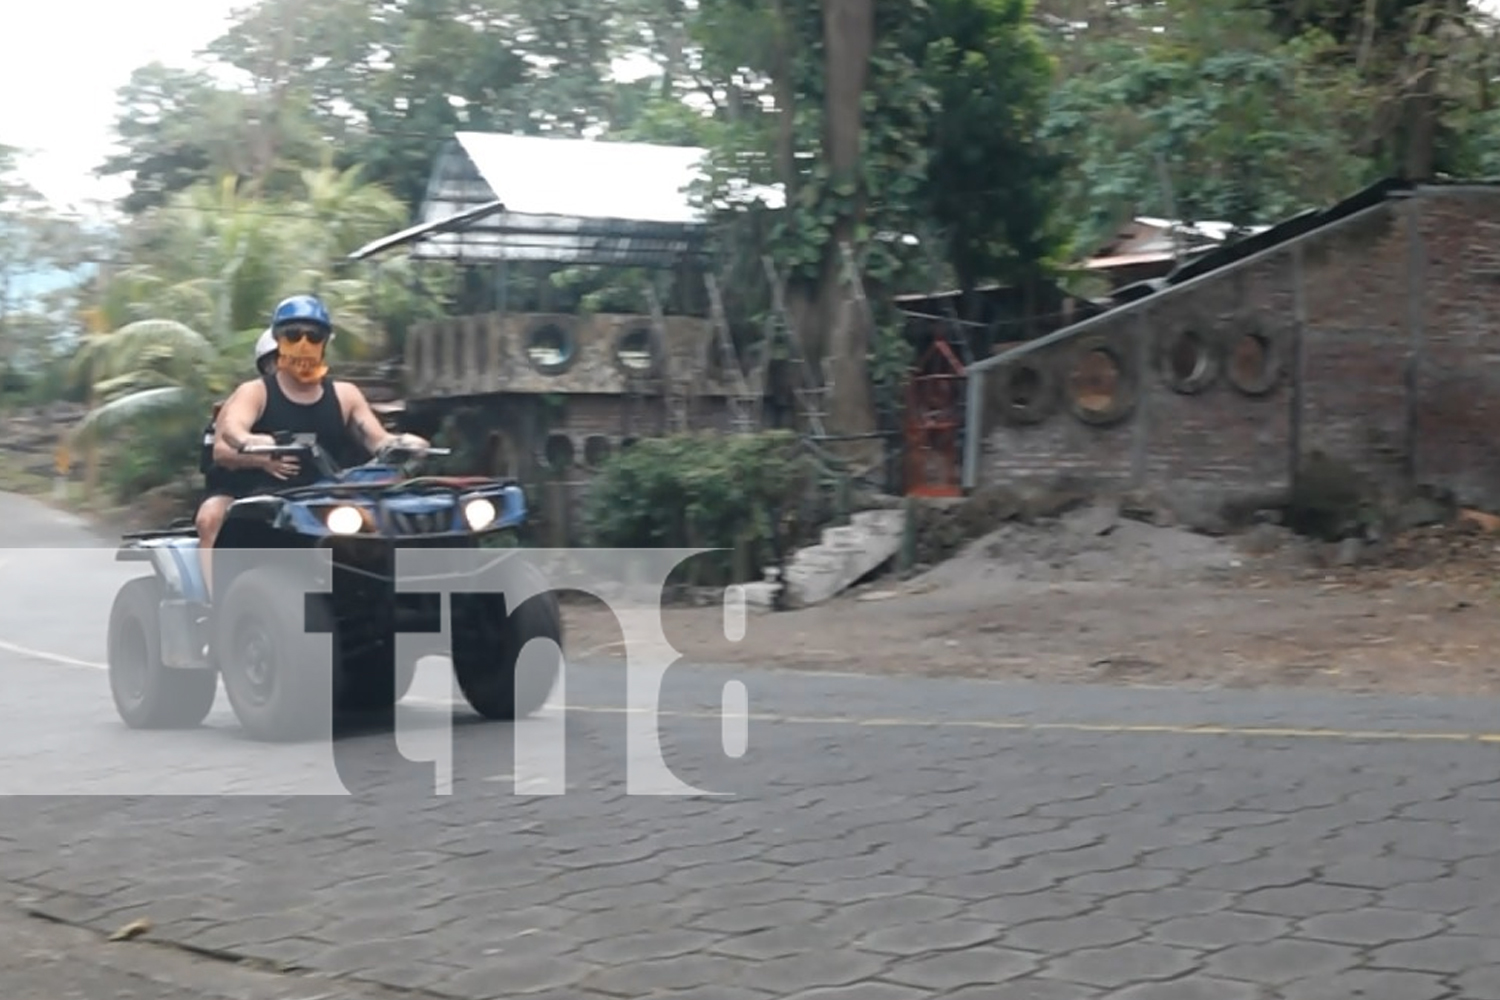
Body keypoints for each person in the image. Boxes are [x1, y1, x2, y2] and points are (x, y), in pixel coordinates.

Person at [210, 293, 427, 549]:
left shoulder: (345, 394)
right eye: (293, 335)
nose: (303, 344)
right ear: (278, 340)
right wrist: (254, 443)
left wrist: (404, 443)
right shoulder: (255, 391)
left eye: (313, 336)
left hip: (334, 495)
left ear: (324, 342)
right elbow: (233, 430)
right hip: (271, 502)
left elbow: (377, 440)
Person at [193, 329, 281, 593]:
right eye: (277, 359)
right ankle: (214, 601)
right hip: (238, 487)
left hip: (302, 487)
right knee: (209, 518)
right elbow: (220, 454)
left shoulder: (322, 398)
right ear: (265, 365)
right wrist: (262, 462)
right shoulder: (245, 401)